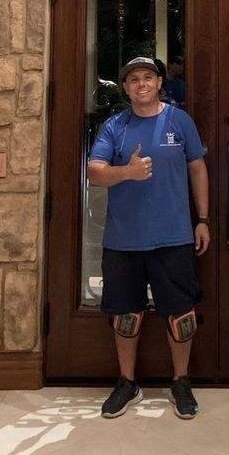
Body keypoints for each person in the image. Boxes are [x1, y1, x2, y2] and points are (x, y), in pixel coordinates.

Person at [88, 56, 210, 419]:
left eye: (147, 77)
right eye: (133, 79)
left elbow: (197, 167)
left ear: (159, 83)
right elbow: (94, 172)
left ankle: (181, 381)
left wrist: (203, 219)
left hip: (174, 237)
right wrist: (127, 172)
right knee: (125, 316)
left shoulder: (180, 121)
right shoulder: (114, 127)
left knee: (181, 315)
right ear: (126, 89)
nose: (141, 83)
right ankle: (127, 383)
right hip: (123, 240)